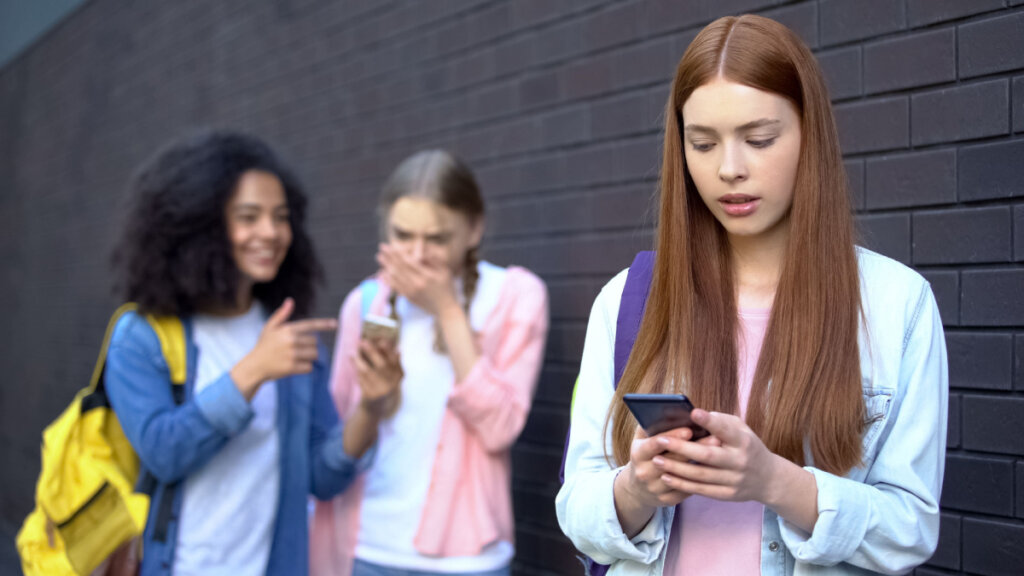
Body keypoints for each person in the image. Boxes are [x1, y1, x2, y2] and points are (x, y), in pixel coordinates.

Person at [556, 14, 948, 576]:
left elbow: (910, 532)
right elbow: (576, 507)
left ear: (810, 134)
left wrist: (776, 482)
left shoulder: (896, 305)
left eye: (759, 139)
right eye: (702, 143)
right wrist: (637, 489)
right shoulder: (627, 301)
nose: (729, 169)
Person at [105, 131, 365, 576]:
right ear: (200, 226)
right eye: (249, 217)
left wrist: (373, 409)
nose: (271, 232)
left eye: (280, 217)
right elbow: (164, 454)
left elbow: (322, 479)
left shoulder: (290, 335)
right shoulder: (142, 336)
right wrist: (253, 371)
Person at [310, 150, 549, 576]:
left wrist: (448, 310)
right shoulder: (364, 303)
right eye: (403, 236)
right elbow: (337, 445)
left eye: (437, 239)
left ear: (474, 229)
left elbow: (500, 428)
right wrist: (372, 404)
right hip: (371, 549)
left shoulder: (515, 296)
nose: (417, 255)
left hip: (469, 559)